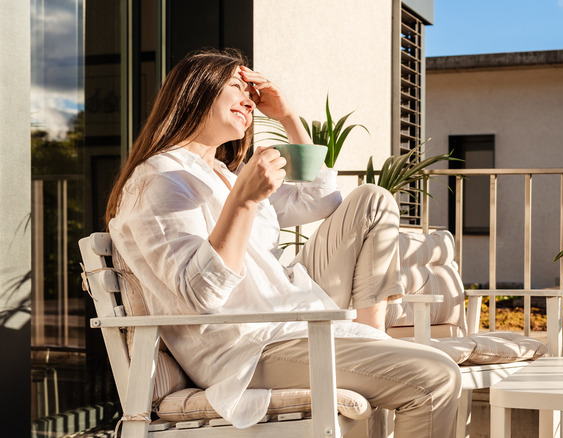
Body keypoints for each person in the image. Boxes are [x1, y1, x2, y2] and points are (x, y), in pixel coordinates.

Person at [105, 49, 461, 437]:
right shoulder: (159, 179)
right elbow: (200, 295)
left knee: (372, 200)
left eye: (250, 93)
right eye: (235, 87)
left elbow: (323, 201)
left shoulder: (223, 173)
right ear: (196, 92)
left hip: (289, 321)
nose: (248, 100)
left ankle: (372, 337)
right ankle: (375, 350)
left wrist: (288, 117)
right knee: (435, 376)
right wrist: (244, 201)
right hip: (247, 349)